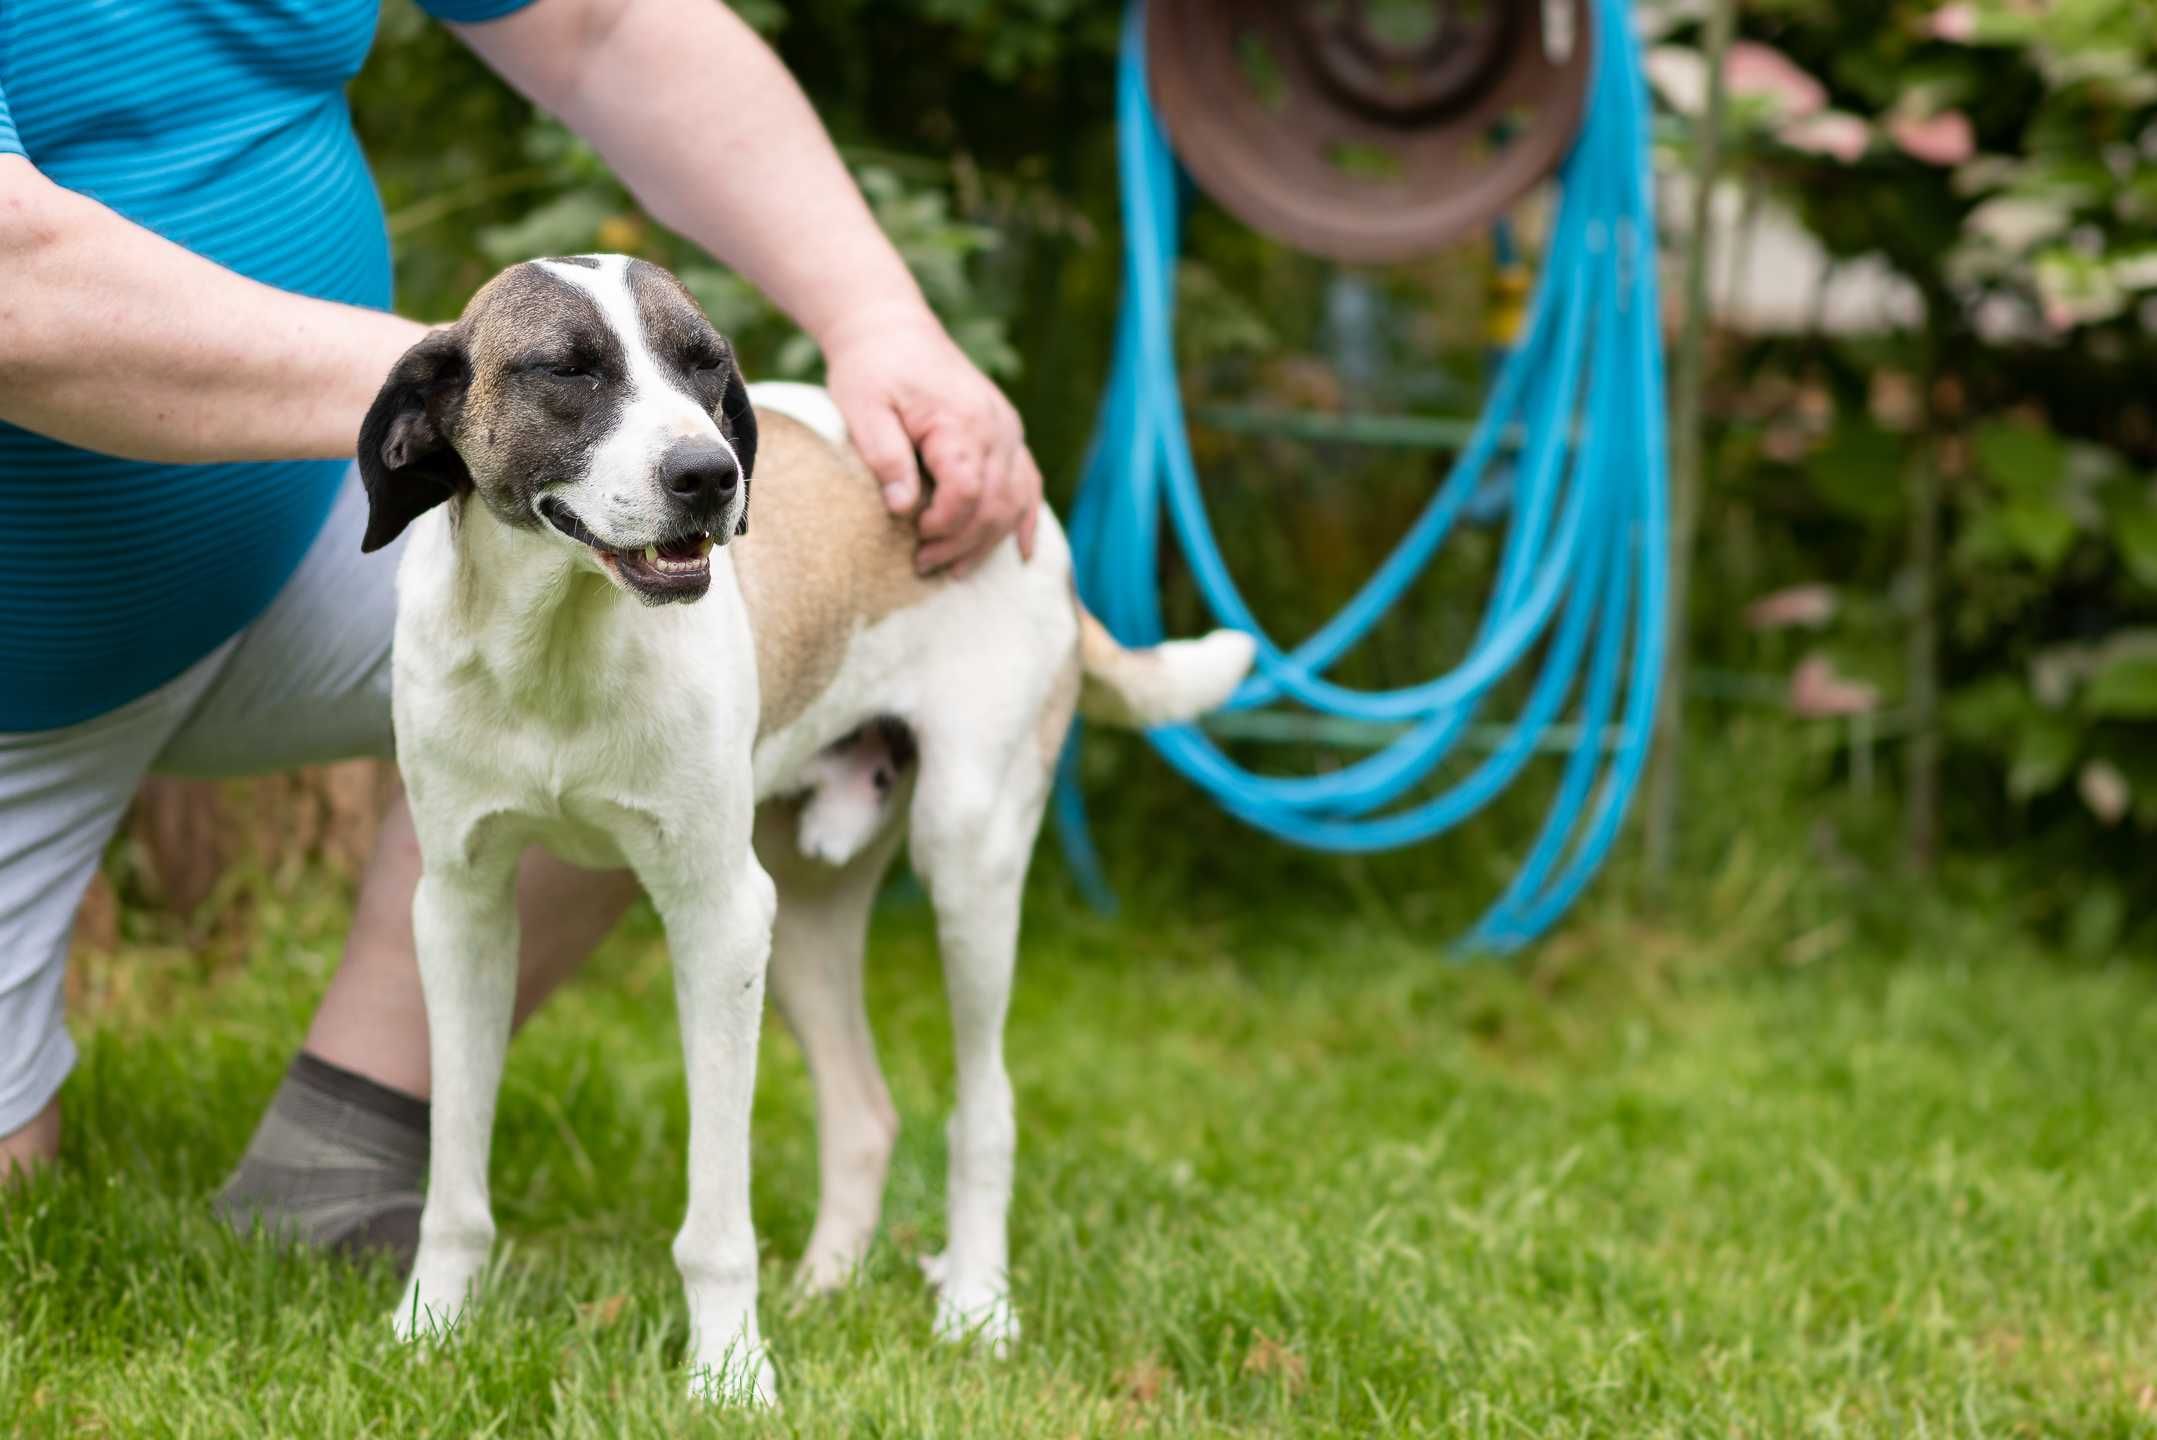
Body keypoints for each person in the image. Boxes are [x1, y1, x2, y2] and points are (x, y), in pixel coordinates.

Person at [0, 0, 1044, 1258]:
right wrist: (477, 387)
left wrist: (882, 318)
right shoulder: (472, 401)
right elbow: (19, 284)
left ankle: (347, 1142)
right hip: (29, 668)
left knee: (652, 672)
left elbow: (601, 23)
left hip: (333, 540)